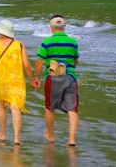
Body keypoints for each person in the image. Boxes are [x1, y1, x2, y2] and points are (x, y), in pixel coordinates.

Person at [32, 14, 79, 146]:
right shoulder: (73, 42)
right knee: (72, 109)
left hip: (52, 78)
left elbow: (40, 61)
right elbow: (76, 61)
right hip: (70, 77)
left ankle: (51, 136)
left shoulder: (47, 42)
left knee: (49, 108)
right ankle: (71, 139)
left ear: (51, 27)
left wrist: (37, 77)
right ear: (64, 27)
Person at [0, 19, 32, 145]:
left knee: (1, 106)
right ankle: (16, 138)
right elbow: (26, 65)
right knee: (15, 107)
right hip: (16, 80)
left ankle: (3, 134)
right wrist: (33, 80)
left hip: (1, 79)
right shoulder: (19, 45)